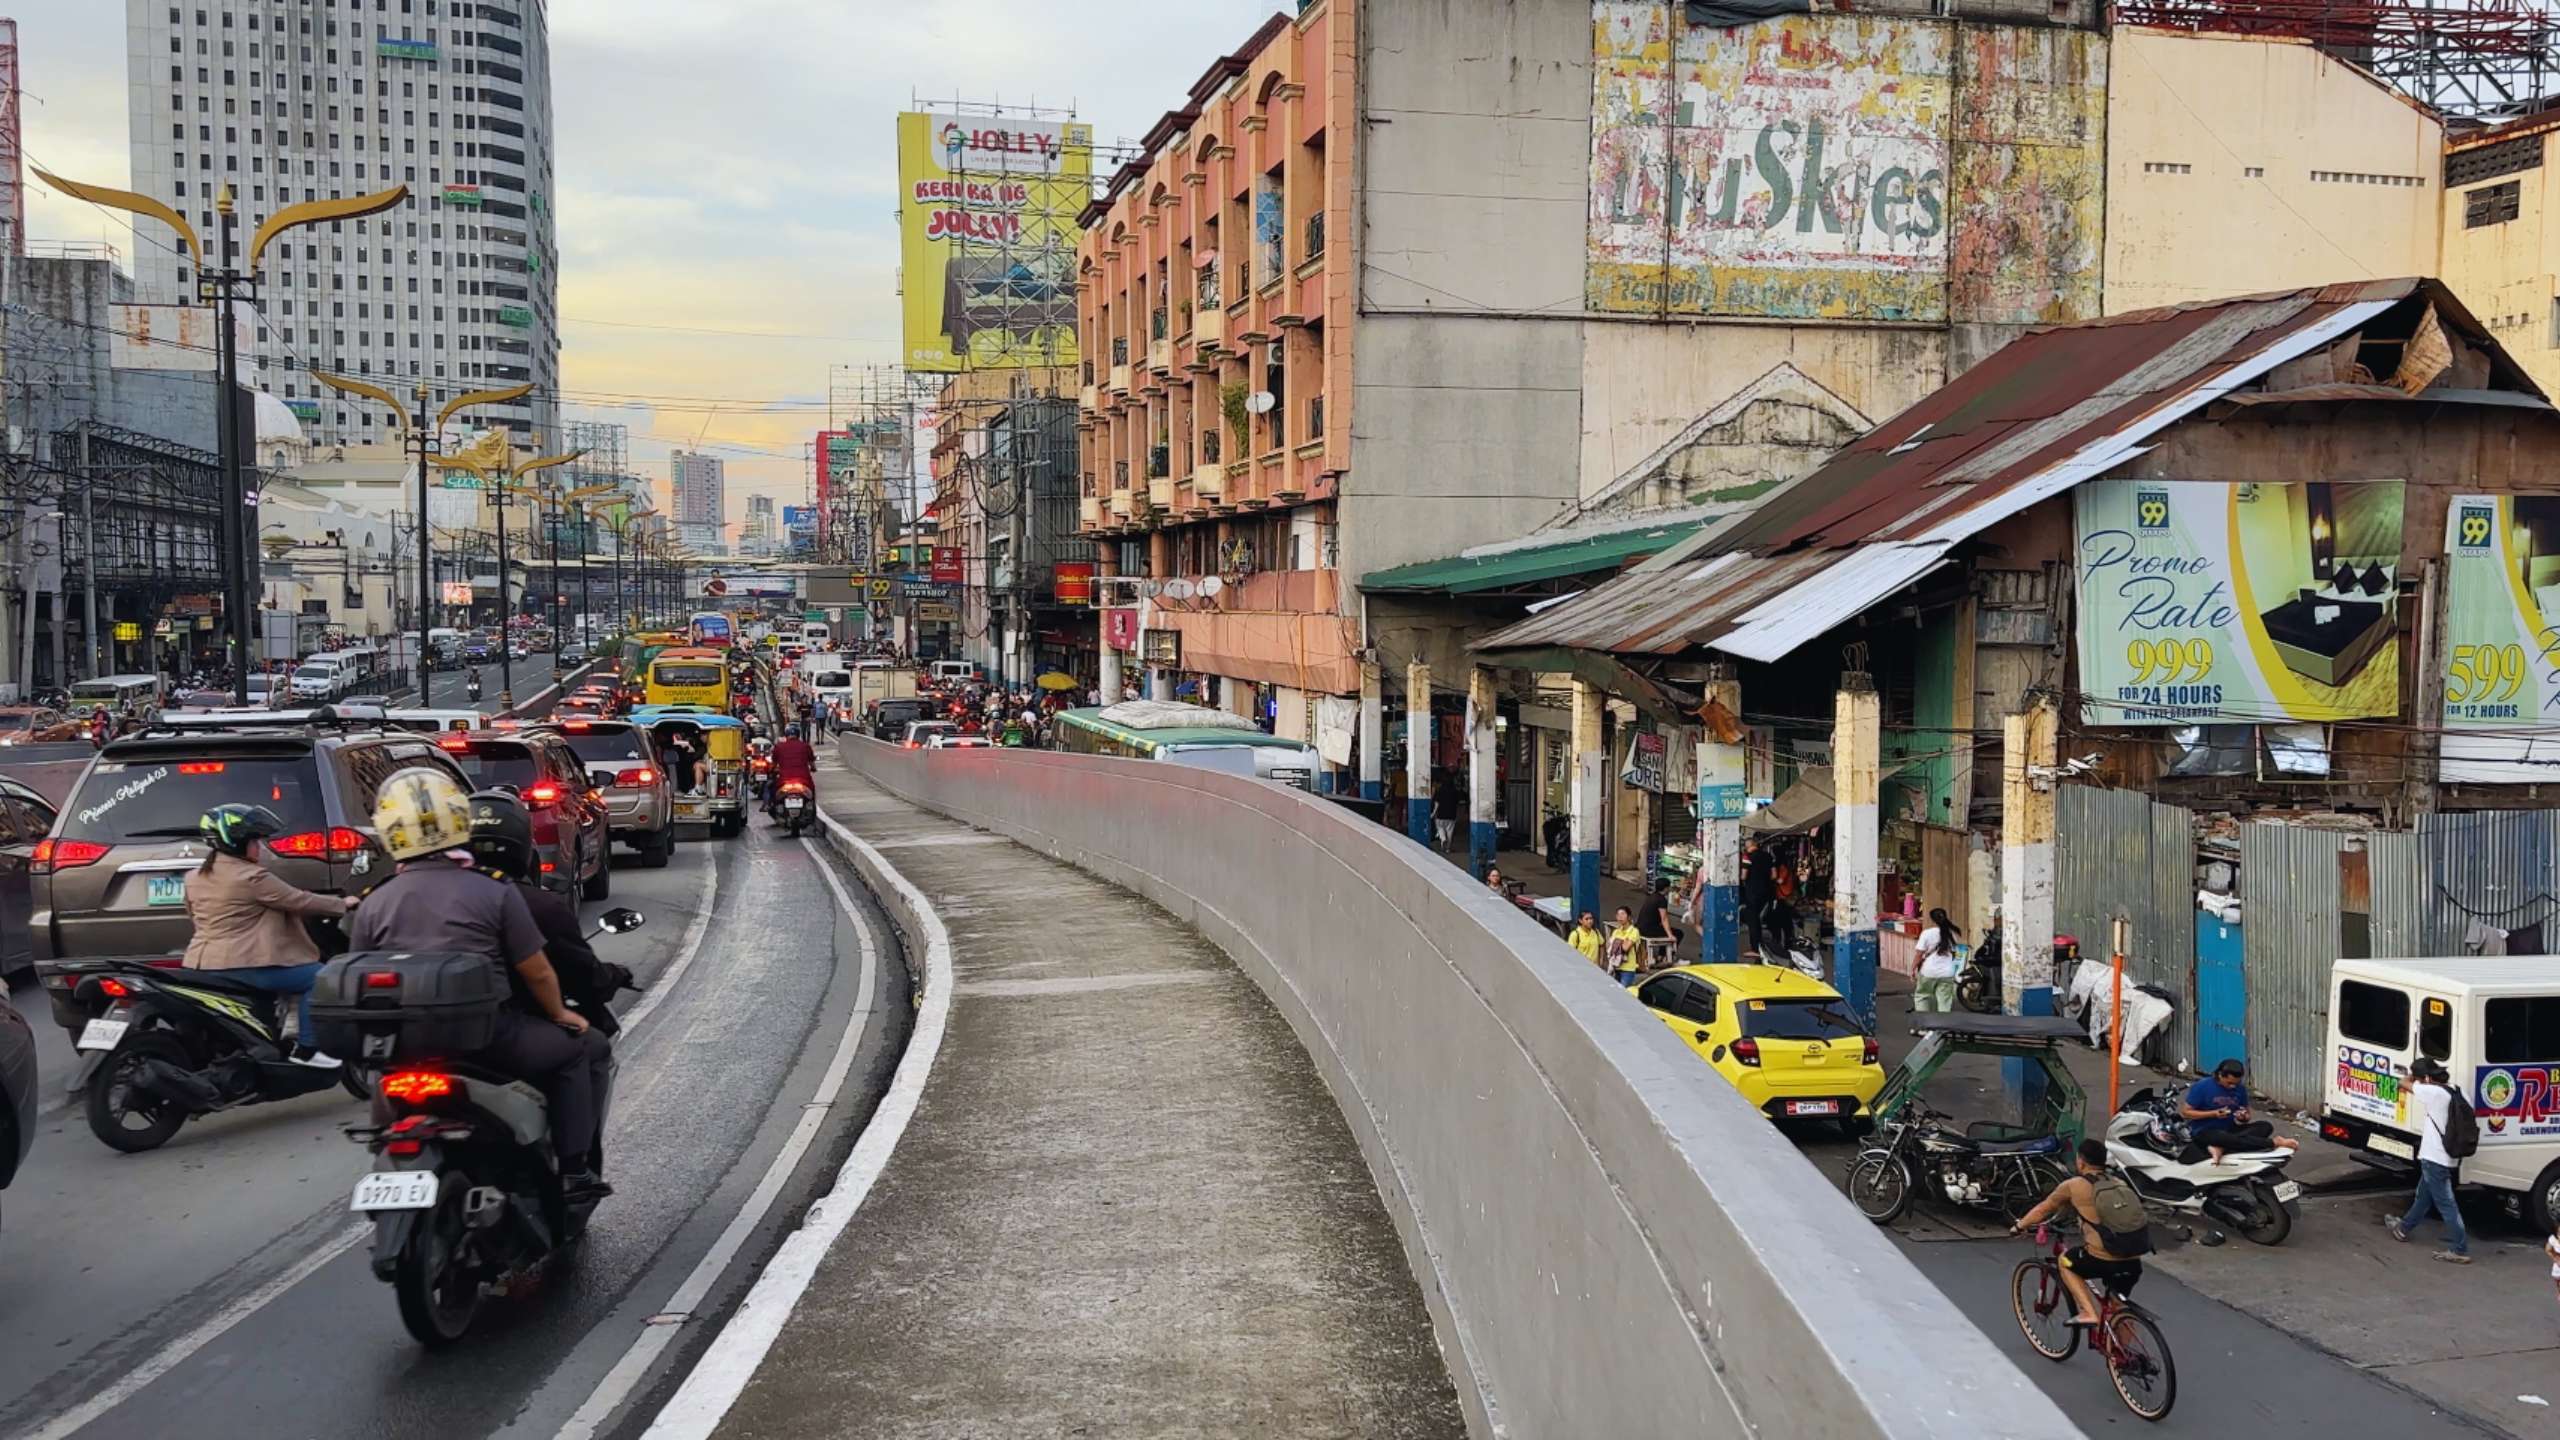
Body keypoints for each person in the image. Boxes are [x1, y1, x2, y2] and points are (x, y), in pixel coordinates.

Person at [350, 768, 608, 1198]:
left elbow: (357, 968)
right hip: (487, 1037)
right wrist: (562, 1015)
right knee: (577, 1052)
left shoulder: (375, 900)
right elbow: (538, 970)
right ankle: (574, 1169)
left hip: (402, 1047)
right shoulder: (493, 891)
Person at [181, 803, 358, 1067]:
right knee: (319, 978)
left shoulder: (194, 876)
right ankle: (307, 1050)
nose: (260, 848)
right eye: (256, 841)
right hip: (244, 965)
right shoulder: (252, 877)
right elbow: (298, 900)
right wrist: (343, 904)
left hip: (200, 963)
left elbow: (193, 915)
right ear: (238, 844)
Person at [463, 789, 632, 1038]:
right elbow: (559, 973)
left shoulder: (427, 896)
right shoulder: (532, 904)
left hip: (420, 1037)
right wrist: (611, 977)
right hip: (502, 1032)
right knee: (591, 1048)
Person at [2010, 1138, 2152, 1327]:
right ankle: (2119, 1355)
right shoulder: (2119, 1182)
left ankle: (2088, 1311)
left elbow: (2043, 1209)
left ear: (2081, 1161)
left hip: (2102, 1259)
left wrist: (2019, 1227)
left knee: (2065, 1262)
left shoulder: (2073, 1185)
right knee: (2118, 1307)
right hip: (2133, 1259)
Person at [2387, 1057, 2470, 1264]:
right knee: (2423, 1197)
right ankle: (2403, 1228)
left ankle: (2459, 1248)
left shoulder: (2432, 1092)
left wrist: (2411, 1076)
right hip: (2449, 1156)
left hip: (2435, 1158)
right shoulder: (2456, 1090)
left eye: (2420, 1078)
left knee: (2446, 1204)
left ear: (2425, 1078)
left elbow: (2402, 1083)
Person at [2180, 1058, 2298, 1163]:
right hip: (2205, 1131)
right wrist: (2213, 1114)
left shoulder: (2239, 1089)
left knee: (2265, 1126)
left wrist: (2243, 1117)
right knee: (2223, 1138)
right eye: (2229, 1083)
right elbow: (2186, 1112)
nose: (2233, 1087)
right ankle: (2274, 1142)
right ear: (2220, 1075)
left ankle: (2222, 1148)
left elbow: (2246, 1115)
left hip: (2230, 1129)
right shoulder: (2202, 1086)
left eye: (2236, 1084)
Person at [1914, 907, 1964, 1012]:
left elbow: (1919, 955)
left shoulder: (1927, 933)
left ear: (1932, 919)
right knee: (1944, 1002)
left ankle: (1924, 1025)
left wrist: (1912, 969)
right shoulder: (1953, 933)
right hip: (1947, 973)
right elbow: (1956, 953)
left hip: (1928, 972)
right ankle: (1943, 1026)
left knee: (1923, 997)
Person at [768, 723, 817, 818]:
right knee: (811, 792)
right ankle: (811, 810)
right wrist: (813, 768)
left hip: (784, 780)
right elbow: (812, 764)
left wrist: (771, 771)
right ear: (798, 734)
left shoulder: (779, 747)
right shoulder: (805, 746)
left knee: (773, 790)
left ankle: (771, 806)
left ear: (786, 735)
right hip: (803, 780)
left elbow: (773, 764)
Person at [1740, 839, 1776, 956]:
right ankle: (1763, 945)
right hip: (1766, 892)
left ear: (1747, 846)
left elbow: (1744, 876)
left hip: (1752, 892)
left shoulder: (1747, 857)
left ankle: (1755, 949)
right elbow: (1774, 875)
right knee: (1761, 918)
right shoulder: (1768, 856)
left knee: (1753, 920)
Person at [1634, 878, 1680, 968]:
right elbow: (1664, 919)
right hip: (1649, 930)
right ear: (1666, 888)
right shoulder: (1661, 900)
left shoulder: (1652, 896)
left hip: (1640, 927)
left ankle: (1661, 956)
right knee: (1678, 933)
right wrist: (1670, 935)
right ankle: (1664, 957)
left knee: (1664, 931)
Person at [1606, 906, 1646, 988]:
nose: (1620, 917)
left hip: (1628, 968)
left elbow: (1625, 948)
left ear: (1629, 917)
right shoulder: (1616, 931)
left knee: (1624, 992)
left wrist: (1616, 942)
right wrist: (1622, 941)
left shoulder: (1634, 931)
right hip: (1616, 966)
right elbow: (1609, 948)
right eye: (1618, 915)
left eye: (1623, 914)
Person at [657, 726, 701, 796]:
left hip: (675, 762)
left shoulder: (674, 745)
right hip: (670, 763)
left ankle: (678, 790)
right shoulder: (662, 746)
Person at [1431, 774, 1464, 852]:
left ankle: (1443, 838)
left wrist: (1433, 812)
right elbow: (1458, 803)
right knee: (1450, 831)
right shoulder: (1455, 792)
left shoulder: (1439, 791)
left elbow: (1437, 803)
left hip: (1440, 814)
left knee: (1440, 827)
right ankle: (1448, 848)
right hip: (1451, 814)